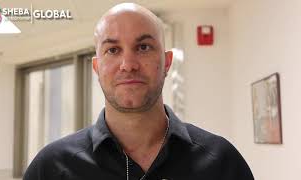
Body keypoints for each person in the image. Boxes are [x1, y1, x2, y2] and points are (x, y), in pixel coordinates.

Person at [24, 3, 254, 180]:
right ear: (97, 68)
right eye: (113, 50)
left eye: (143, 47)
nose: (128, 64)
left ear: (166, 63)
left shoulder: (222, 162)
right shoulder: (51, 167)